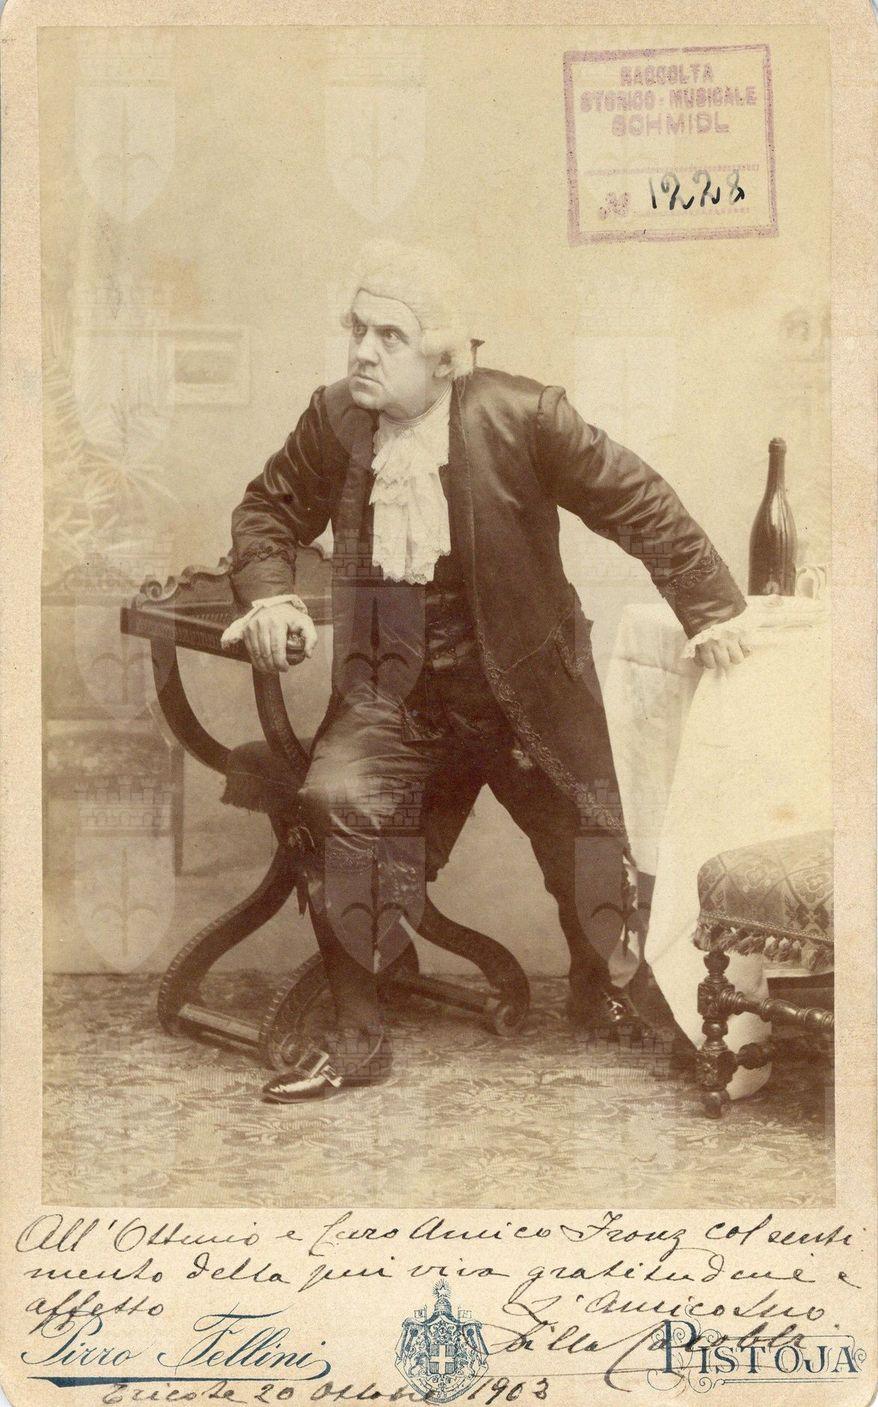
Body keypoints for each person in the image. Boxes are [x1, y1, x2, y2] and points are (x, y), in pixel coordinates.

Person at [222, 239, 748, 1103]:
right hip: (391, 694)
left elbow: (638, 501)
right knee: (335, 803)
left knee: (589, 853)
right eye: (356, 329)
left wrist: (713, 608)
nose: (362, 351)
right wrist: (271, 595)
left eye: (389, 335)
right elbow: (267, 510)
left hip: (523, 685)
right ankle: (355, 1037)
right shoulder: (336, 417)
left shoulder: (525, 415)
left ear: (444, 357)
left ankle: (606, 991)